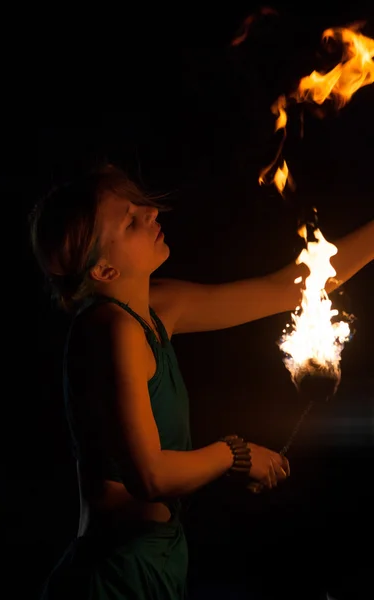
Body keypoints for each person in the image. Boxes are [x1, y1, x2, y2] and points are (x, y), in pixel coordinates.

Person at [29, 163, 373, 599]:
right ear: (104, 271)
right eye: (130, 221)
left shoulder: (159, 306)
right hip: (114, 576)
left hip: (159, 560)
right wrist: (235, 454)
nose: (151, 214)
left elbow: (292, 287)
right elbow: (149, 477)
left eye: (140, 207)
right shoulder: (108, 329)